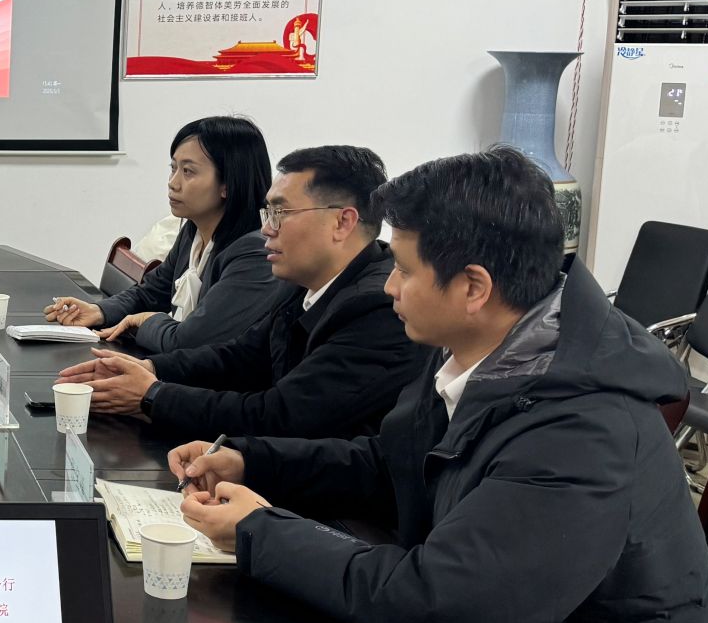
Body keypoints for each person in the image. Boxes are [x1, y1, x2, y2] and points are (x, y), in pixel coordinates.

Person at [173, 148, 708, 623]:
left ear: (473, 287)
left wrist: (257, 531)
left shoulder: (582, 426)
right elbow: (388, 466)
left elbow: (437, 598)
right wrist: (252, 462)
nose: (388, 284)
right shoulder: (487, 357)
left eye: (404, 269)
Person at [54, 146, 428, 441]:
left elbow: (282, 416)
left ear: (342, 222)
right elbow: (242, 357)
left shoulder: (377, 307)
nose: (267, 229)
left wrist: (152, 396)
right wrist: (150, 369)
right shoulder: (305, 284)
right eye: (268, 213)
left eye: (281, 213)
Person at [46, 116, 284, 353]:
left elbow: (189, 341)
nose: (173, 183)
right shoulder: (193, 230)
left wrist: (144, 321)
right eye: (173, 168)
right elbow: (151, 293)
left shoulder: (255, 253)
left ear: (228, 184)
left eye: (188, 171)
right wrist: (99, 311)